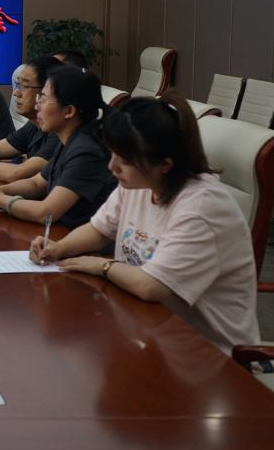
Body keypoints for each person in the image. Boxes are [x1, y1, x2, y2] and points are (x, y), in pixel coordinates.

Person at [29, 92, 259, 355]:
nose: (112, 167)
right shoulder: (140, 183)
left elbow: (150, 286)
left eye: (125, 161)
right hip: (147, 330)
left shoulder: (202, 208)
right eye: (113, 154)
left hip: (211, 354)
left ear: (164, 165)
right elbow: (99, 229)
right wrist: (59, 248)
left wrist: (102, 266)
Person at [0, 65, 116, 228]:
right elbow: (36, 184)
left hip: (73, 237)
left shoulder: (87, 151)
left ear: (69, 111)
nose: (37, 106)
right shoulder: (68, 141)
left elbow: (46, 212)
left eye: (43, 99)